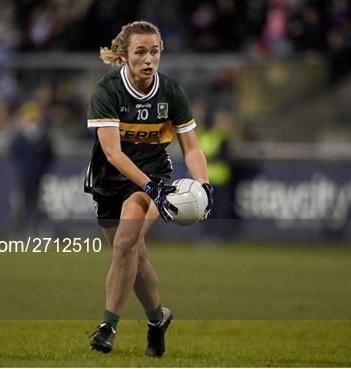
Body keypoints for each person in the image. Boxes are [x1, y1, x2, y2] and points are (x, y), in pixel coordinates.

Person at [84, 20, 214, 357]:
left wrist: (203, 184)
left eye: (154, 52)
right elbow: (112, 153)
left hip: (153, 177)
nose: (148, 59)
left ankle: (107, 326)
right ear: (125, 56)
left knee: (128, 240)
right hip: (110, 179)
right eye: (140, 52)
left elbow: (193, 149)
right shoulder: (107, 91)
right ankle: (158, 319)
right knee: (133, 256)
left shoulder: (171, 92)